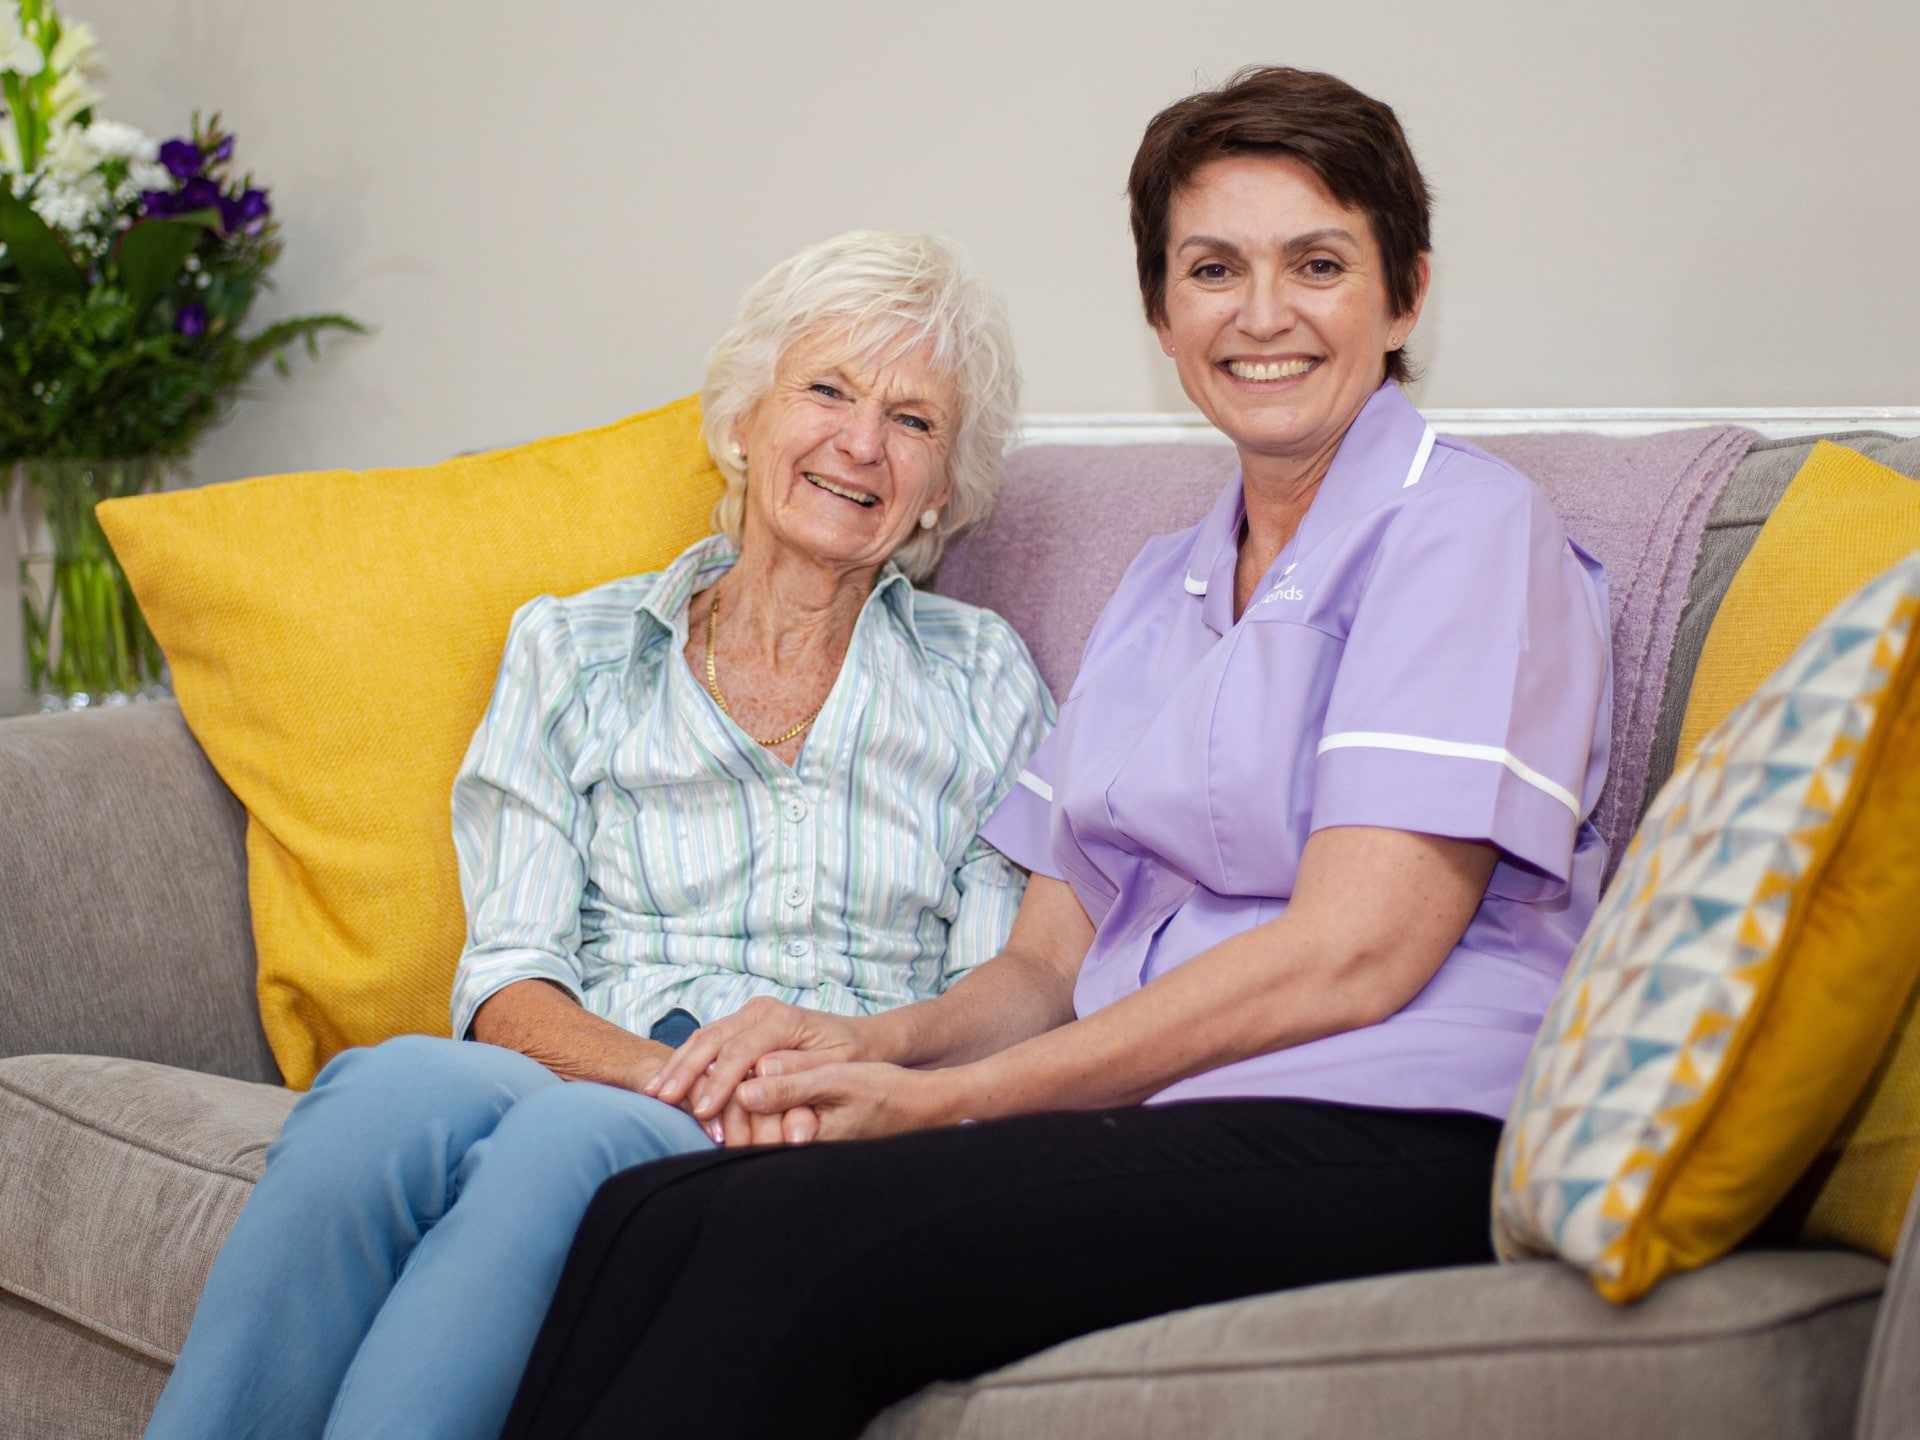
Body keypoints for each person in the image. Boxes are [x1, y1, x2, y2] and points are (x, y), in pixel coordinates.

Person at [499, 65, 1614, 1440]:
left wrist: (950, 1103)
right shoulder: (1166, 585)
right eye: (1214, 268)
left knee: (798, 1254)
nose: (1261, 313)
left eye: (1316, 263)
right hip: (1179, 1110)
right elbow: (1044, 959)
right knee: (659, 1213)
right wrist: (864, 1046)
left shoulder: (1468, 532)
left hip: (1397, 1122)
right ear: (1162, 313)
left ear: (1405, 294)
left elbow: (1357, 953)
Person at [139, 230, 1052, 1440]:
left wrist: (846, 1064)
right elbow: (508, 980)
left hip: (832, 1094)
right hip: (609, 1056)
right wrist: (677, 1081)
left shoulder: (983, 679)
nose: (861, 443)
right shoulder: (572, 649)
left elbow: (1005, 984)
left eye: (913, 420)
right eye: (825, 390)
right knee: (380, 1089)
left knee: (568, 1139)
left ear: (941, 488)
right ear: (742, 422)